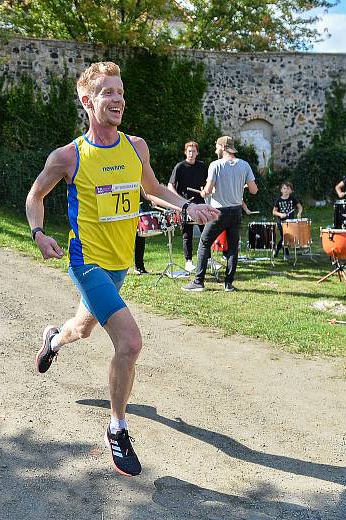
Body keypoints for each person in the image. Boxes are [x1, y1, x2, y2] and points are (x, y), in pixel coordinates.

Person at [25, 61, 219, 477]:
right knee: (129, 343)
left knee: (81, 329)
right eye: (107, 93)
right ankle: (118, 426)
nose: (117, 100)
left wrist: (187, 207)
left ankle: (52, 342)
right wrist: (39, 233)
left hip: (119, 265)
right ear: (87, 101)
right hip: (86, 261)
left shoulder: (136, 147)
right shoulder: (69, 156)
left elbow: (152, 188)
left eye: (120, 92)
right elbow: (34, 195)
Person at [182, 135, 258, 292]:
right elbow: (253, 190)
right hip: (236, 211)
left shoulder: (215, 165)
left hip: (219, 212)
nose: (215, 149)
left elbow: (207, 191)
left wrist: (203, 192)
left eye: (217, 146)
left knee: (204, 243)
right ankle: (228, 284)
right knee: (232, 248)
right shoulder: (244, 165)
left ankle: (198, 282)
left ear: (223, 148)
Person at [168, 141, 207, 272]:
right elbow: (170, 185)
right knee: (187, 234)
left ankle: (209, 258)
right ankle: (188, 261)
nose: (191, 153)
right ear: (185, 152)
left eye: (193, 151)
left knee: (206, 233)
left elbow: (208, 183)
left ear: (197, 152)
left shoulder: (202, 166)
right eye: (189, 151)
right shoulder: (180, 167)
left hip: (200, 204)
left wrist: (206, 190)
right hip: (185, 205)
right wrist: (178, 200)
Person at [272, 181, 303, 260]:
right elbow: (274, 211)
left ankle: (277, 248)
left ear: (291, 190)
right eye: (284, 188)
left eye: (288, 189)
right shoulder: (278, 200)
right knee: (284, 237)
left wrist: (299, 213)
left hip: (290, 222)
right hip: (281, 222)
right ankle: (286, 253)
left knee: (286, 237)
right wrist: (280, 214)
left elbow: (300, 207)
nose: (286, 190)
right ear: (281, 190)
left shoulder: (292, 199)